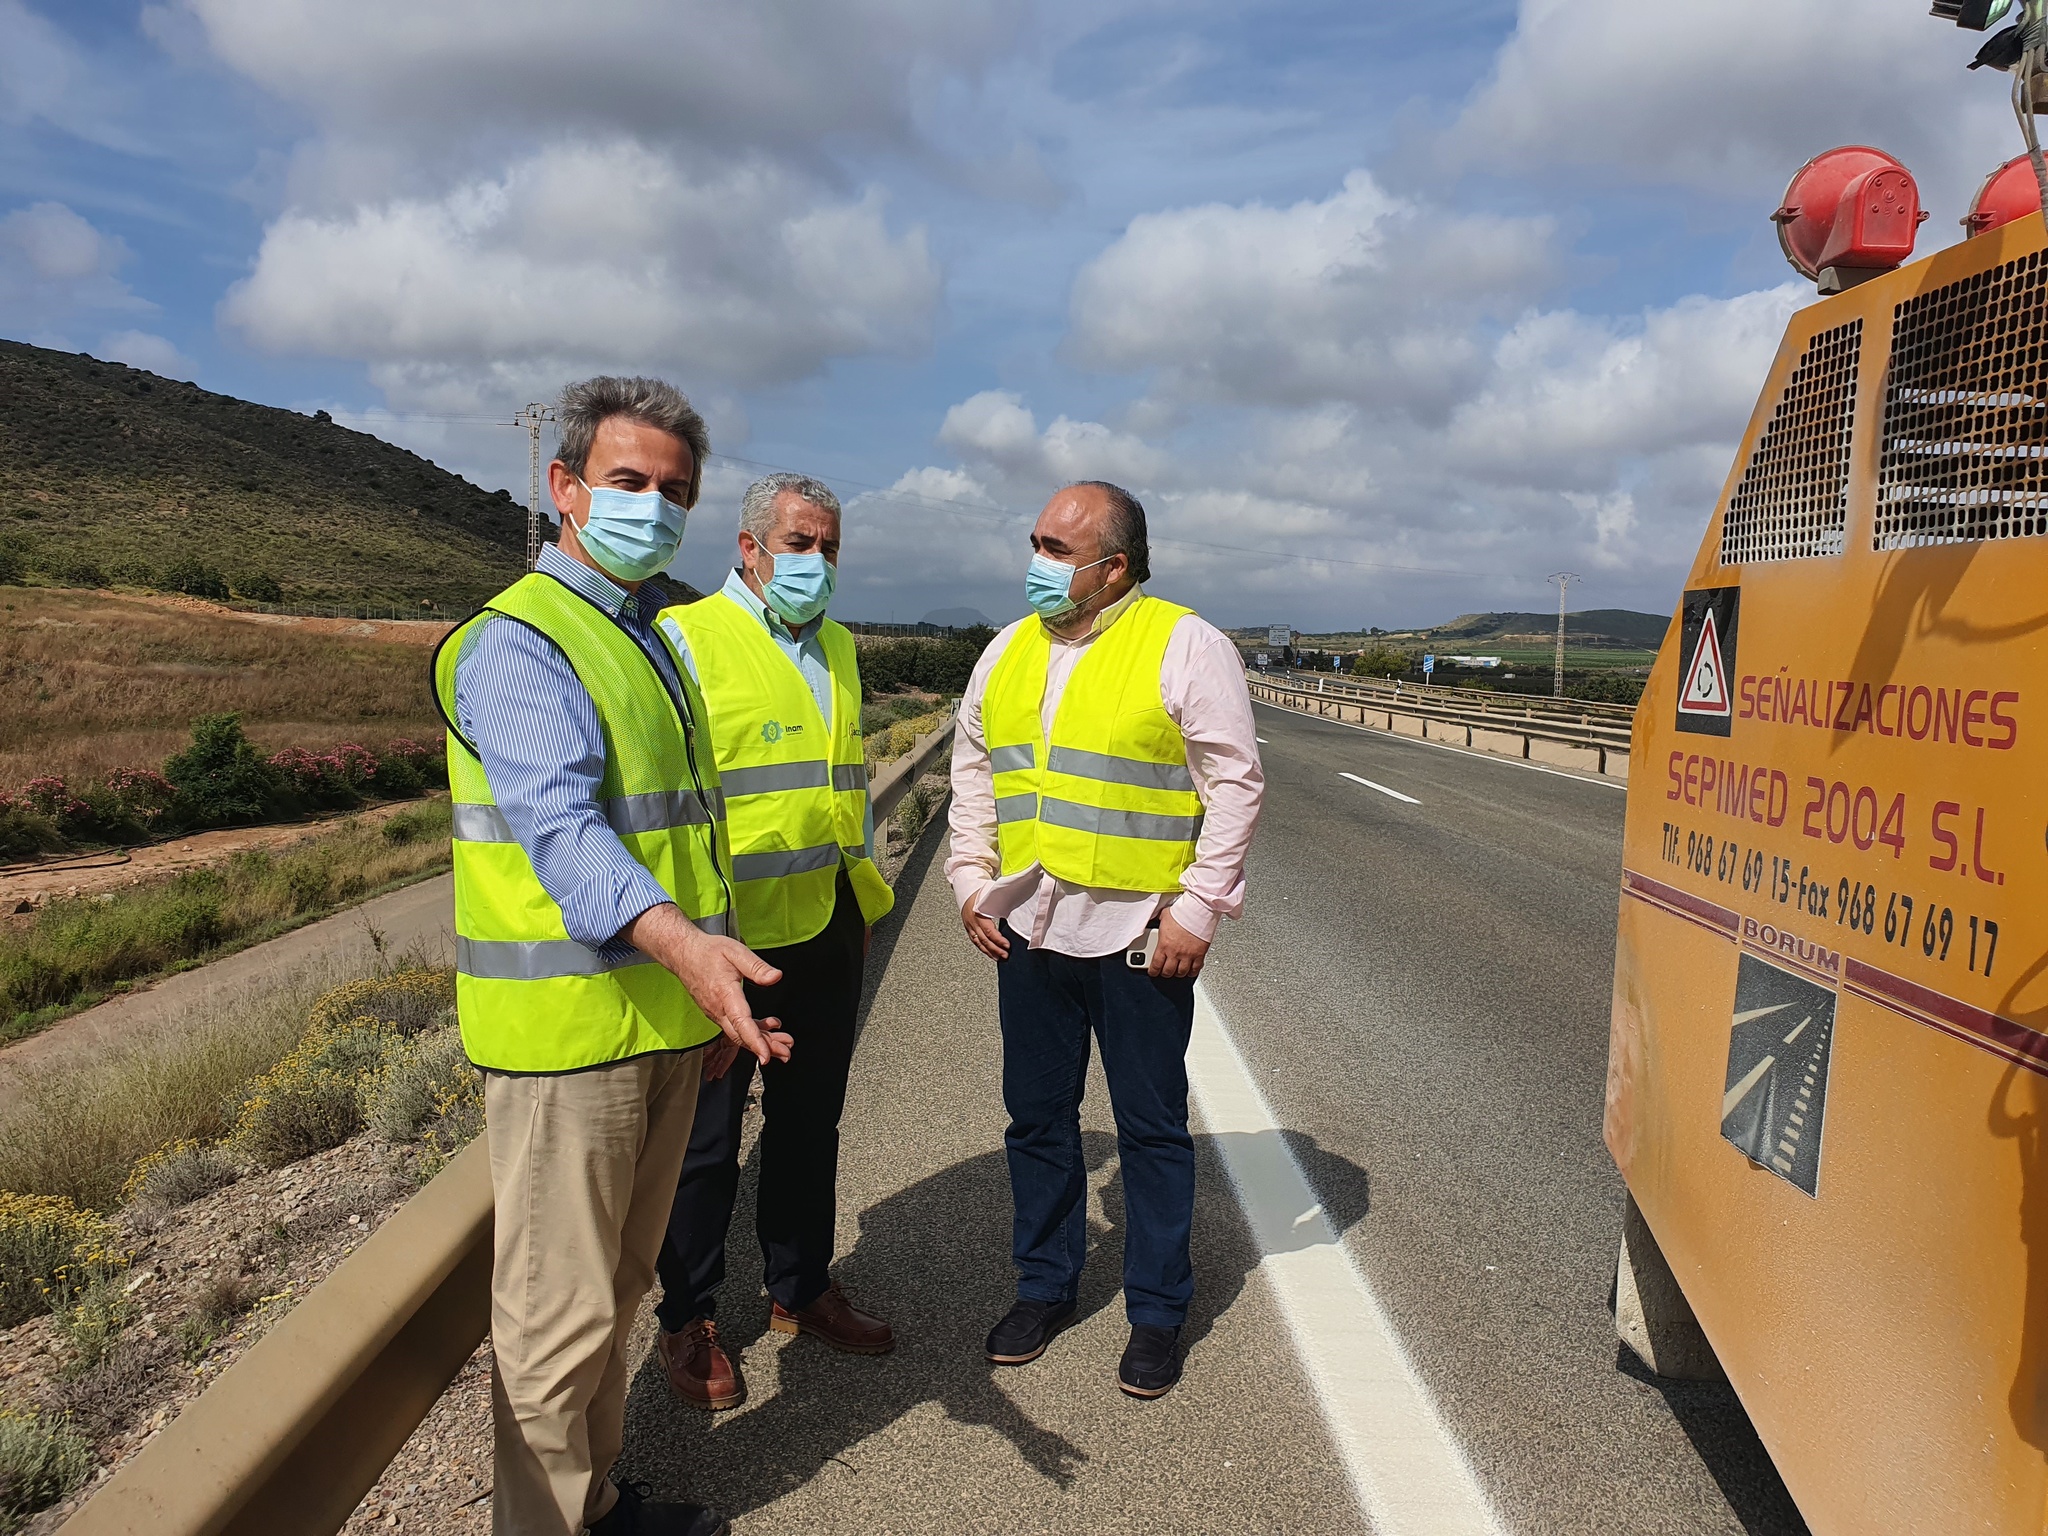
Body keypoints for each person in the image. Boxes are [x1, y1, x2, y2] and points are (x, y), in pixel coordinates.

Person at [432, 377, 792, 1536]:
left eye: (673, 491)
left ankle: (590, 1506)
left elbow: (691, 836)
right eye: (628, 483)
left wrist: (709, 999)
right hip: (566, 1043)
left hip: (660, 1026)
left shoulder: (647, 638)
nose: (652, 507)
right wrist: (692, 954)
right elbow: (562, 835)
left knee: (617, 1296)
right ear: (565, 488)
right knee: (556, 1321)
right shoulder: (523, 643)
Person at [947, 480, 1264, 1399]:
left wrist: (1197, 908)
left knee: (1151, 1129)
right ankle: (1043, 1287)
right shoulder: (1007, 650)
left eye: (1055, 548)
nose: (1036, 563)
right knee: (1038, 1122)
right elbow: (975, 769)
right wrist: (973, 880)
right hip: (1030, 932)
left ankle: (1157, 1311)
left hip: (1137, 938)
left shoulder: (1183, 643)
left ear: (1111, 566)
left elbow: (1234, 784)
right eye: (1036, 542)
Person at [650, 472, 896, 1410]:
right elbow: (671, 811)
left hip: (824, 926)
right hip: (726, 941)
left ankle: (800, 1287)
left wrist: (858, 909)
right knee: (707, 1143)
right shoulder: (687, 641)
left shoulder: (836, 644)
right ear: (749, 549)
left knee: (807, 1126)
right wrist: (694, 947)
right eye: (800, 543)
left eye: (829, 546)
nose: (817, 562)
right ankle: (690, 1317)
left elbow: (844, 790)